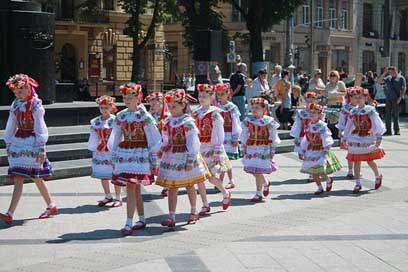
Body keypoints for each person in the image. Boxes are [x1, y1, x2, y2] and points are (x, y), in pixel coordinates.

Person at [0, 74, 56, 225]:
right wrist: (9, 141)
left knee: (33, 177)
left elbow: (40, 126)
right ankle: (12, 213)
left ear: (27, 88)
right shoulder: (16, 105)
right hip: (19, 142)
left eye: (20, 90)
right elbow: (11, 124)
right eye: (15, 91)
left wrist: (41, 147)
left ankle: (49, 206)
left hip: (32, 143)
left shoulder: (35, 105)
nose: (18, 94)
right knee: (24, 177)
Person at [108, 83, 161, 236]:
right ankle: (141, 219)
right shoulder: (121, 115)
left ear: (138, 97)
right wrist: (113, 153)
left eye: (130, 97)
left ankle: (128, 222)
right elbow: (116, 135)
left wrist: (153, 156)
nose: (127, 100)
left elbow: (153, 137)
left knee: (131, 186)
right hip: (125, 153)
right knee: (134, 187)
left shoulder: (144, 116)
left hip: (140, 154)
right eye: (125, 97)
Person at [156, 89, 210, 228]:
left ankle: (193, 211)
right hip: (172, 156)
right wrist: (162, 149)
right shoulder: (168, 121)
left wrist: (191, 160)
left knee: (189, 184)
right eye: (169, 106)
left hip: (185, 156)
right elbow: (166, 138)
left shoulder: (187, 122)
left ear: (183, 106)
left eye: (174, 106)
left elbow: (193, 142)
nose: (171, 109)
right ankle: (171, 216)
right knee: (172, 187)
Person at [193, 84, 232, 216]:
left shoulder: (215, 113)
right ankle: (205, 204)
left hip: (210, 147)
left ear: (211, 97)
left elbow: (218, 132)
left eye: (204, 96)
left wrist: (217, 149)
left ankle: (225, 192)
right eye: (200, 96)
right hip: (199, 148)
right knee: (199, 177)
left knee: (210, 177)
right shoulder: (196, 113)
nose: (201, 98)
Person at [343, 87, 386, 194]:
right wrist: (345, 137)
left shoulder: (369, 110)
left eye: (360, 97)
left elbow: (377, 123)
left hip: (367, 137)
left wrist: (378, 136)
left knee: (369, 160)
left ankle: (377, 175)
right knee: (356, 161)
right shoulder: (353, 111)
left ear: (365, 98)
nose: (358, 99)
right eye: (355, 97)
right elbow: (348, 125)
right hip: (356, 137)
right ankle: (357, 183)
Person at [240, 97, 280, 202]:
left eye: (257, 108)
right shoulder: (248, 120)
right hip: (251, 147)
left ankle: (258, 193)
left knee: (257, 171)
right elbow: (244, 134)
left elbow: (273, 135)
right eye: (253, 107)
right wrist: (243, 146)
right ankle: (265, 183)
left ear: (264, 109)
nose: (254, 110)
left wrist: (272, 150)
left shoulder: (268, 121)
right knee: (253, 170)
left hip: (263, 148)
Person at [88, 95, 122, 208]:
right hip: (100, 150)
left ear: (111, 107)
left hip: (112, 150)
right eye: (102, 107)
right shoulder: (96, 121)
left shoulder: (115, 120)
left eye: (106, 107)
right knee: (103, 174)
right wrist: (93, 147)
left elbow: (119, 135)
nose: (104, 109)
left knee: (115, 174)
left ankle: (118, 197)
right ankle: (108, 195)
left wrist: (119, 149)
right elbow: (93, 136)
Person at [300, 103, 342, 195]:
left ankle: (328, 179)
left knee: (321, 171)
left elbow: (326, 137)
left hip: (320, 150)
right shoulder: (309, 125)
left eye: (314, 112)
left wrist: (326, 148)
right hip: (311, 150)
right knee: (314, 172)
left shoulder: (322, 125)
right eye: (310, 112)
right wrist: (303, 149)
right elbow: (306, 138)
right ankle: (319, 187)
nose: (312, 114)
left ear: (319, 114)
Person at [214, 83, 242, 189]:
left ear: (227, 94)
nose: (220, 96)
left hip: (229, 135)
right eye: (218, 94)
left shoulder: (232, 107)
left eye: (222, 94)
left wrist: (235, 137)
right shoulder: (216, 106)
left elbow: (236, 123)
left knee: (226, 159)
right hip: (220, 136)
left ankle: (223, 180)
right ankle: (230, 180)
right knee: (223, 160)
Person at [145, 91, 171, 197]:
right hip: (153, 144)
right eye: (151, 104)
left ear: (161, 103)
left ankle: (167, 186)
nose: (153, 106)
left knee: (165, 166)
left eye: (155, 103)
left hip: (164, 144)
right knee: (156, 165)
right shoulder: (150, 116)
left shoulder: (167, 116)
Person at [336, 88, 357, 179]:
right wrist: (340, 130)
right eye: (353, 97)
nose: (356, 99)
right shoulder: (346, 108)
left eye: (357, 97)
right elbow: (342, 120)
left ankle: (357, 170)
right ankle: (350, 170)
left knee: (358, 152)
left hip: (360, 132)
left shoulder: (362, 107)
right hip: (349, 132)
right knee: (351, 151)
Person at [378, 66, 406, 135]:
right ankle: (388, 130)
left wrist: (400, 97)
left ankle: (397, 130)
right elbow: (379, 81)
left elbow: (404, 88)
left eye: (392, 72)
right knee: (388, 115)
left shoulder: (401, 78)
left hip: (396, 98)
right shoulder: (388, 78)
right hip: (388, 98)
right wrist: (384, 73)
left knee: (396, 115)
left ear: (395, 71)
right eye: (389, 72)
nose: (391, 73)